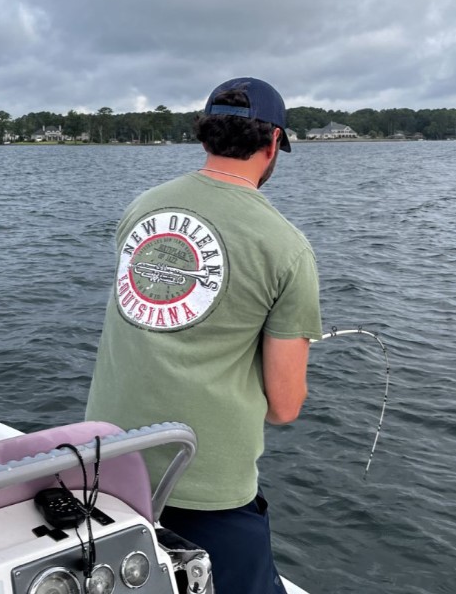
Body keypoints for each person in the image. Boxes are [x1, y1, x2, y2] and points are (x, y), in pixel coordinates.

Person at [85, 77, 322, 594]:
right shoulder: (288, 248)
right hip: (206, 486)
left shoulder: (142, 207)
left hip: (107, 467)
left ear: (206, 135)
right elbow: (284, 406)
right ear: (274, 142)